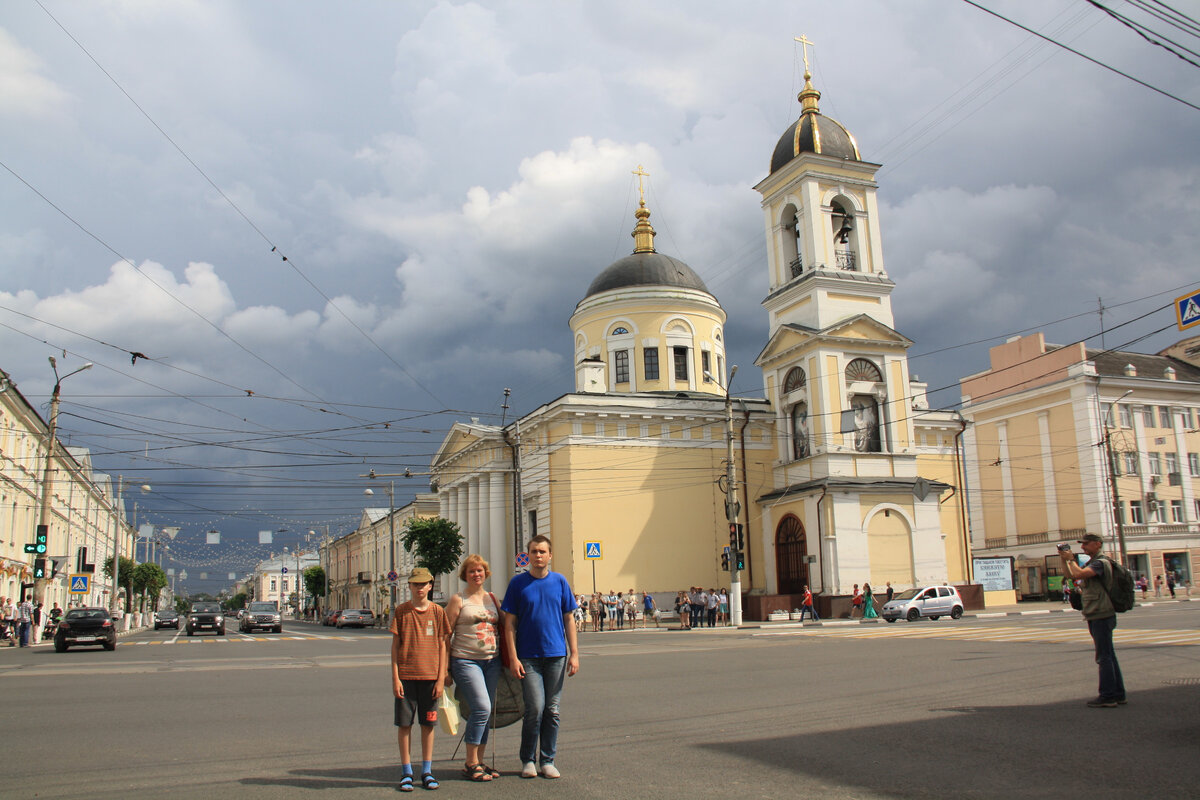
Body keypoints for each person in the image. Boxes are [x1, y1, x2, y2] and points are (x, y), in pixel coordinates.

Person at [501, 535, 579, 780]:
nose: (538, 556)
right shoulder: (518, 584)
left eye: (542, 552)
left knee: (552, 710)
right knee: (535, 708)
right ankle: (528, 759)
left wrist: (574, 653)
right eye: (534, 551)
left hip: (556, 654)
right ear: (528, 555)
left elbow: (569, 618)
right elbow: (509, 623)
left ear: (550, 555)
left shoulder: (560, 582)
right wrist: (513, 658)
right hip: (528, 656)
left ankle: (548, 759)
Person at [390, 566, 451, 791]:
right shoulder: (402, 611)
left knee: (428, 724)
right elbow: (395, 647)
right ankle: (406, 770)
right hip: (406, 676)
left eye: (423, 584)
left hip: (430, 677)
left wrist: (441, 678)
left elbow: (444, 645)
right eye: (415, 584)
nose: (420, 588)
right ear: (410, 586)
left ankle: (426, 770)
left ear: (430, 585)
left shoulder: (437, 612)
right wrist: (395, 678)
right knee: (405, 725)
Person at [444, 555, 502, 783]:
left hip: (492, 661)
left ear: (486, 574)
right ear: (465, 575)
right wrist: (445, 669)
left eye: (480, 571)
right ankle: (470, 763)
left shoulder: (492, 598)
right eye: (471, 572)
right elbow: (445, 635)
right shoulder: (458, 599)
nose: (476, 574)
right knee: (482, 707)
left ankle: (478, 760)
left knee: (485, 714)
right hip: (465, 661)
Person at [1058, 533, 1126, 708]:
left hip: (1102, 613)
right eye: (1082, 544)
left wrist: (1071, 559)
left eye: (1086, 544)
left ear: (1097, 544)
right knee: (1109, 655)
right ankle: (1118, 694)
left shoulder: (1100, 563)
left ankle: (1108, 696)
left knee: (1103, 657)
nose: (1083, 547)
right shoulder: (1092, 562)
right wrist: (1064, 559)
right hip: (1097, 612)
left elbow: (1080, 573)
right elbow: (1072, 576)